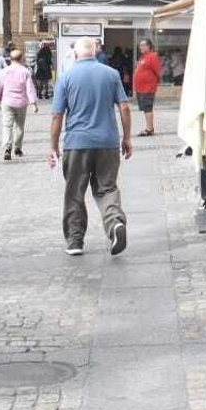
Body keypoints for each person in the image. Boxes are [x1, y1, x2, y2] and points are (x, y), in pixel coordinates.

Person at [48, 36, 132, 257]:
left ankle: (75, 240)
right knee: (107, 188)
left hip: (77, 144)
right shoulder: (111, 74)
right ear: (95, 52)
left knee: (75, 192)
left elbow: (57, 116)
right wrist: (127, 138)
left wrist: (53, 147)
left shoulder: (66, 78)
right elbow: (124, 108)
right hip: (108, 143)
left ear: (76, 54)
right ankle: (115, 224)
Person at [0, 46, 38, 161]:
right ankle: (17, 147)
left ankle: (7, 147)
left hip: (7, 102)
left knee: (7, 125)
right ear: (21, 58)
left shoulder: (5, 71)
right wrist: (33, 103)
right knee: (19, 126)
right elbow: (30, 88)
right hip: (21, 103)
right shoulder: (25, 71)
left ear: (10, 59)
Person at [131, 39, 162, 136]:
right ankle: (149, 127)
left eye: (144, 45)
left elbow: (158, 72)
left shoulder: (152, 56)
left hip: (147, 88)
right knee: (145, 108)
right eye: (140, 45)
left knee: (148, 108)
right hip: (141, 88)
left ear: (149, 46)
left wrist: (153, 83)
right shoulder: (142, 57)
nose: (141, 47)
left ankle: (149, 129)